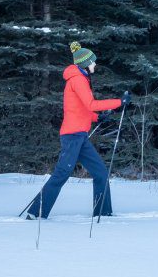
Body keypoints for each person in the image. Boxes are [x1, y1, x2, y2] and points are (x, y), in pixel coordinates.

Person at [24, 41, 130, 219]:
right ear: (85, 64)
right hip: (72, 136)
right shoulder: (78, 80)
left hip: (79, 136)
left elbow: (79, 109)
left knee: (100, 173)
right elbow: (91, 104)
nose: (95, 64)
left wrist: (97, 117)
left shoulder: (80, 79)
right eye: (93, 62)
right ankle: (36, 213)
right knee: (62, 174)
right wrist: (119, 102)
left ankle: (103, 213)